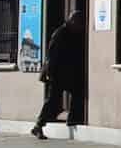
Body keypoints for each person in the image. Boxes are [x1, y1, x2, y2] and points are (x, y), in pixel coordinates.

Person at [32, 10, 86, 138]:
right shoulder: (60, 33)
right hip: (57, 73)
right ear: (72, 21)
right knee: (53, 100)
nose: (81, 26)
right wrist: (49, 73)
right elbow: (52, 54)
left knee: (77, 92)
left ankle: (73, 118)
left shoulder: (74, 33)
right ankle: (38, 126)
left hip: (68, 73)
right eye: (79, 22)